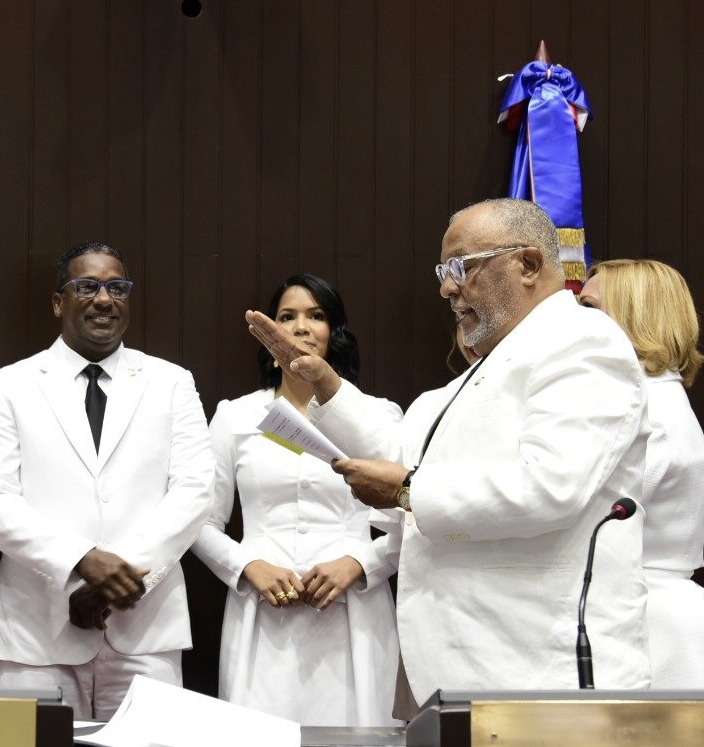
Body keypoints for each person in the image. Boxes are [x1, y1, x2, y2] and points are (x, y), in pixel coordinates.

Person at [247, 198, 652, 704]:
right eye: (443, 271)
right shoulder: (477, 374)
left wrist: (407, 490)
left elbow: (550, 486)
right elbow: (403, 459)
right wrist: (326, 385)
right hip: (472, 665)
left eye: (461, 267)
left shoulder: (581, 341)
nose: (446, 288)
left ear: (528, 264)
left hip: (540, 665)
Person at [0, 241, 214, 719]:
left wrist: (115, 580)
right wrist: (81, 561)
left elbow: (194, 492)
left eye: (117, 288)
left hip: (145, 629)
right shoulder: (7, 385)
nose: (104, 299)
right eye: (87, 287)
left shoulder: (171, 382)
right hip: (37, 632)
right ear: (58, 302)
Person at [190, 274, 401, 726]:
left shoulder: (378, 415)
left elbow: (413, 514)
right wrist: (247, 565)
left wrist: (360, 563)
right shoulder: (236, 415)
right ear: (269, 334)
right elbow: (201, 522)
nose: (301, 327)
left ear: (334, 331)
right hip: (261, 612)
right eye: (287, 317)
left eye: (316, 315)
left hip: (355, 611)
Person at [579, 259, 704, 688]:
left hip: (653, 629)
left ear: (634, 316)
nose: (574, 320)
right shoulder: (650, 400)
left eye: (589, 308)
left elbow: (581, 518)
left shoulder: (647, 413)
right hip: (645, 614)